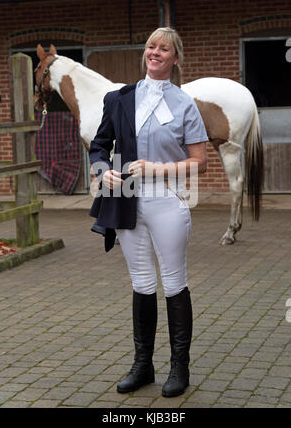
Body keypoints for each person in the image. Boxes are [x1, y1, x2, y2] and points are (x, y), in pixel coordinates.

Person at [89, 27, 208, 397]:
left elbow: (200, 162)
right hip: (125, 198)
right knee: (141, 284)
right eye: (150, 47)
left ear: (175, 58)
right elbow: (98, 146)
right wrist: (100, 170)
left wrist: (158, 169)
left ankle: (179, 368)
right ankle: (143, 365)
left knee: (173, 282)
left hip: (166, 199)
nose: (155, 52)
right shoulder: (120, 98)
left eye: (164, 48)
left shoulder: (185, 103)